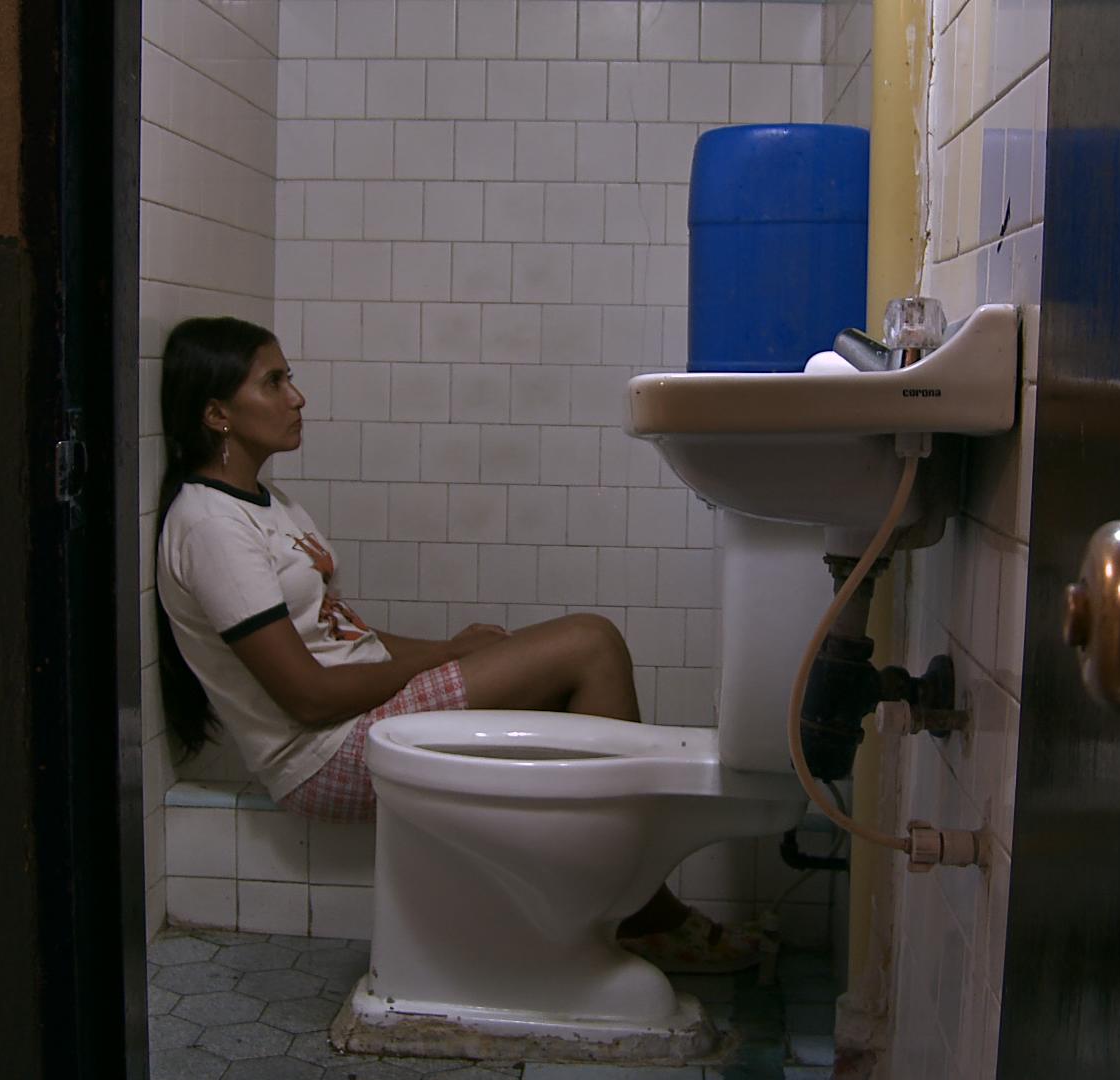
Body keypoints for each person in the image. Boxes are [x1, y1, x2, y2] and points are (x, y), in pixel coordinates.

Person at [152, 316, 760, 973]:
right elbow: (308, 696)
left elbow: (347, 637)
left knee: (568, 666)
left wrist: (452, 647)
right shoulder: (211, 528)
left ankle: (605, 902)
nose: (297, 397)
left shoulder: (266, 503)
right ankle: (638, 913)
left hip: (356, 722)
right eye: (273, 382)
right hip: (322, 756)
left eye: (289, 378)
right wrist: (448, 657)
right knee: (590, 645)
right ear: (217, 413)